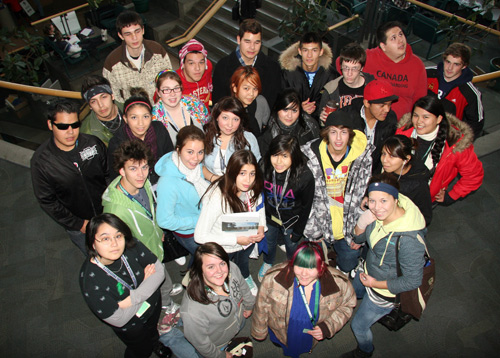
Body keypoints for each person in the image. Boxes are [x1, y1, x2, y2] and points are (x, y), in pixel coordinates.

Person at [341, 173, 427, 358]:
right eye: (372, 201)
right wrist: (364, 220)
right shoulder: (375, 213)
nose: (377, 208)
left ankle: (365, 351)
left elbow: (412, 281)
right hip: (368, 270)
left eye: (383, 201)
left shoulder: (408, 240)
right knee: (351, 294)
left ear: (396, 200)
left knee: (359, 326)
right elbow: (359, 238)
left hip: (384, 291)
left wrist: (375, 284)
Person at [79, 213, 171, 358]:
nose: (114, 244)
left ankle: (155, 343)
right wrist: (146, 284)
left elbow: (160, 272)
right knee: (140, 350)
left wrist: (132, 299)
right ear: (92, 243)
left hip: (152, 306)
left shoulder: (130, 245)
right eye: (105, 239)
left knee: (153, 330)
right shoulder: (91, 281)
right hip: (132, 324)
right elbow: (119, 318)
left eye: (118, 236)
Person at [252, 242, 357, 358]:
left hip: (309, 334)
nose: (304, 274)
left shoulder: (338, 283)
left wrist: (328, 327)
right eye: (299, 266)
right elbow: (261, 306)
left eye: (311, 267)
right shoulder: (273, 278)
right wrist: (259, 331)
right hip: (281, 330)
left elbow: (348, 304)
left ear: (321, 267)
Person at [31, 100, 108, 254]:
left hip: (109, 213)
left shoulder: (92, 144)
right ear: (50, 124)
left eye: (75, 125)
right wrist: (79, 224)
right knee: (98, 261)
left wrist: (113, 205)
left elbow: (109, 174)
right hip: (80, 227)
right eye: (62, 126)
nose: (70, 131)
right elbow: (47, 201)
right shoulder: (41, 162)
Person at [301, 111, 374, 273]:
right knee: (316, 267)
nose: (339, 138)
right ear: (326, 133)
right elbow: (305, 198)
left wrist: (359, 233)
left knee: (347, 266)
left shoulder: (363, 158)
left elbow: (365, 196)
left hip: (349, 227)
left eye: (343, 132)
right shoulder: (309, 157)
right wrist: (312, 231)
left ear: (350, 134)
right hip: (319, 223)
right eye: (333, 132)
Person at [195, 150, 266, 295]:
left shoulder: (251, 187)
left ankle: (245, 276)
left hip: (245, 238)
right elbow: (200, 236)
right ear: (232, 172)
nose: (248, 180)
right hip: (224, 246)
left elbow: (259, 206)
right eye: (242, 173)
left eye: (252, 173)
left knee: (243, 262)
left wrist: (260, 226)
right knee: (225, 268)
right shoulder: (217, 197)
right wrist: (235, 239)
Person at [396, 95, 483, 205]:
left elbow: (474, 175)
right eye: (416, 116)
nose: (419, 122)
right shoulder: (402, 132)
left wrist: (451, 196)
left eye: (425, 117)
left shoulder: (455, 144)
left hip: (423, 200)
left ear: (439, 119)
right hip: (397, 193)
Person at [180, 242, 255, 358]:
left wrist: (249, 304)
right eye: (211, 267)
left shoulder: (231, 268)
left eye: (222, 263)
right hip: (217, 344)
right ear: (199, 269)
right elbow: (201, 343)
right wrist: (219, 355)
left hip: (236, 322)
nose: (219, 271)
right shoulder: (192, 310)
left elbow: (243, 286)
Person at [258, 135, 315, 281]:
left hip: (292, 221)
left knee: (292, 246)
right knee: (269, 243)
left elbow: (306, 206)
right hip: (269, 217)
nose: (278, 161)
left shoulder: (305, 176)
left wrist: (298, 231)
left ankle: (292, 264)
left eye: (285, 156)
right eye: (275, 155)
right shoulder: (264, 167)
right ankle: (268, 262)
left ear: (294, 156)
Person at [155, 126, 209, 268]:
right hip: (189, 233)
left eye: (200, 152)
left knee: (202, 258)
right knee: (203, 258)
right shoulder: (167, 183)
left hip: (204, 221)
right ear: (178, 150)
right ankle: (193, 282)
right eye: (190, 152)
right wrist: (198, 220)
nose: (196, 158)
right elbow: (164, 221)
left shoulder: (192, 168)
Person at [108, 88, 174, 186]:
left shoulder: (159, 129)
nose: (141, 123)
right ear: (125, 119)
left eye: (145, 116)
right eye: (134, 117)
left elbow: (170, 158)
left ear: (151, 116)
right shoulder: (117, 142)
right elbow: (116, 177)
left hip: (163, 182)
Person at [103, 10, 172, 103]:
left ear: (143, 30)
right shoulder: (112, 62)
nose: (134, 37)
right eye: (128, 34)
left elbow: (170, 80)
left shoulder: (158, 51)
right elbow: (114, 97)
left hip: (160, 108)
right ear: (120, 35)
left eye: (137, 31)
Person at [362, 21, 427, 120]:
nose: (400, 40)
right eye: (394, 38)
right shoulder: (369, 57)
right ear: (383, 46)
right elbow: (341, 62)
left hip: (401, 122)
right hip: (371, 117)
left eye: (400, 34)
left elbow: (421, 101)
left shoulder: (417, 65)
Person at [212, 19, 281, 108]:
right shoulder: (223, 66)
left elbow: (276, 103)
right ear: (238, 39)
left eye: (257, 42)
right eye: (247, 42)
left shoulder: (272, 67)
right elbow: (218, 103)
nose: (252, 47)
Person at [426, 42, 484, 139]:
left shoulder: (470, 93)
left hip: (446, 138)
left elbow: (476, 123)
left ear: (464, 66)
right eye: (448, 62)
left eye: (456, 64)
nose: (450, 68)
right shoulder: (427, 74)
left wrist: (460, 143)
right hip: (420, 129)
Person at [202, 96, 261, 182]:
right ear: (217, 117)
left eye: (235, 119)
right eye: (225, 118)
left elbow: (256, 169)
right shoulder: (206, 135)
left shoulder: (248, 138)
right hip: (208, 185)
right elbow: (198, 164)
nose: (230, 124)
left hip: (239, 187)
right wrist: (214, 179)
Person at [280, 32, 337, 119]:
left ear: (321, 52)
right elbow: (280, 102)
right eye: (305, 50)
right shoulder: (288, 74)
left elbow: (334, 103)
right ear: (300, 51)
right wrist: (297, 108)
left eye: (314, 50)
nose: (309, 55)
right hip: (293, 123)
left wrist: (318, 110)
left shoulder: (331, 75)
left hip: (320, 127)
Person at [347, 80, 398, 174]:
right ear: (367, 103)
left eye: (389, 104)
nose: (387, 109)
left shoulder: (390, 119)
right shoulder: (347, 117)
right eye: (382, 105)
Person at [379, 135, 432, 226]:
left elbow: (425, 218)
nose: (384, 160)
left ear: (406, 159)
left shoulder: (418, 184)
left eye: (392, 156)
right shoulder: (388, 168)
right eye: (383, 154)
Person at [319, 42, 374, 122]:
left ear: (362, 68)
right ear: (340, 66)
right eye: (346, 68)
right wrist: (323, 120)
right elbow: (323, 124)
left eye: (354, 68)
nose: (349, 73)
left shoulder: (372, 86)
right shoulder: (330, 90)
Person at [152, 69, 209, 146]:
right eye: (166, 90)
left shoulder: (195, 104)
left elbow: (209, 129)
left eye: (176, 88)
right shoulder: (154, 117)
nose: (172, 94)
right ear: (158, 92)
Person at [258, 88, 320, 157]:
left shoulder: (309, 127)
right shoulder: (268, 136)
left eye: (294, 111)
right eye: (285, 110)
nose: (289, 116)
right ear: (277, 109)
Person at [80, 75, 124, 147]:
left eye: (103, 97)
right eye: (93, 101)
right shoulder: (87, 134)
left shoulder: (132, 110)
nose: (100, 105)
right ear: (90, 106)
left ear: (112, 96)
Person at [230, 65, 270, 137]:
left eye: (255, 89)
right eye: (246, 88)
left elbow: (265, 126)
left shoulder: (261, 102)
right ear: (235, 88)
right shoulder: (225, 107)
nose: (251, 94)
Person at [176, 39, 213, 109]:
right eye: (191, 63)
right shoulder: (173, 82)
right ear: (182, 64)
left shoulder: (208, 67)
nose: (197, 68)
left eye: (201, 62)